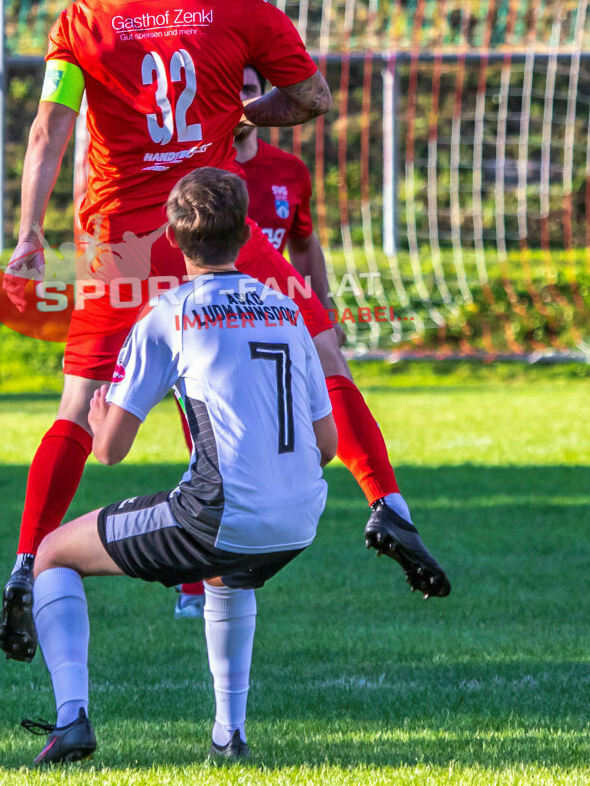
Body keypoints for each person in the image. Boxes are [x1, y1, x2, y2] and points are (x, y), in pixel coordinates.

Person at [0, 0, 449, 665]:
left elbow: (47, 131)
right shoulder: (245, 15)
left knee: (78, 412)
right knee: (321, 350)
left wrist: (30, 231)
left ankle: (28, 561)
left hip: (119, 244)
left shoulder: (84, 20)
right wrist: (246, 109)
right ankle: (388, 503)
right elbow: (311, 100)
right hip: (218, 233)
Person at [22, 167, 339, 764]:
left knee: (52, 555)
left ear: (171, 238)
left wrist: (96, 411)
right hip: (300, 520)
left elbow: (111, 450)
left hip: (221, 516)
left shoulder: (169, 313)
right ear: (247, 233)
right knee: (228, 570)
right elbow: (326, 446)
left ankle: (71, 721)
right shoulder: (285, 308)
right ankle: (229, 734)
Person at [171, 66, 449, 619]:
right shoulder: (195, 173)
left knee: (325, 368)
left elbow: (303, 243)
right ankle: (203, 574)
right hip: (216, 304)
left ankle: (381, 503)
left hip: (271, 302)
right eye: (235, 87)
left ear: (264, 100)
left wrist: (321, 306)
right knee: (211, 426)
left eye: (252, 88)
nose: (243, 97)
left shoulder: (290, 172)